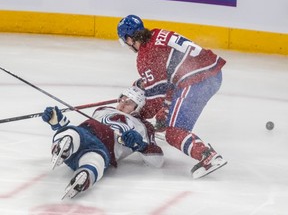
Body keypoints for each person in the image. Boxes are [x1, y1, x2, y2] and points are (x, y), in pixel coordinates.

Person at [117, 15, 227, 179]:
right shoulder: (156, 34)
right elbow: (168, 79)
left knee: (174, 133)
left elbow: (156, 100)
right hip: (211, 74)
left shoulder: (145, 57)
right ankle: (170, 119)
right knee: (165, 116)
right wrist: (150, 88)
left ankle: (208, 156)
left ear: (129, 38)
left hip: (197, 81)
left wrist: (137, 114)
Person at [42, 86, 164, 199]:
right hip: (84, 135)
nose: (122, 104)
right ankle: (63, 149)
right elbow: (82, 128)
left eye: (128, 102)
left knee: (96, 160)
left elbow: (158, 162)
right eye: (122, 99)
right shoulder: (103, 109)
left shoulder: (144, 127)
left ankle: (85, 174)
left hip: (104, 150)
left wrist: (141, 145)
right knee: (72, 134)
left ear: (138, 107)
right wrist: (58, 122)